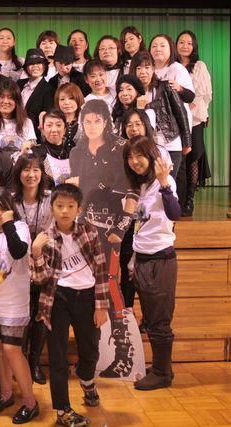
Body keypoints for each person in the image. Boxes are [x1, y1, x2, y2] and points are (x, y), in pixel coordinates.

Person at [68, 99, 139, 379]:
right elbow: (76, 191)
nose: (92, 126)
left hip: (111, 230)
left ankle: (124, 354)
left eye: (97, 120)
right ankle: (92, 354)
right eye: (87, 121)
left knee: (110, 284)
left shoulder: (120, 147)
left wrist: (121, 228)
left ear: (107, 121)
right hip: (84, 228)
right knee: (87, 288)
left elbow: (132, 191)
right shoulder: (77, 151)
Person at [31, 183, 109, 427]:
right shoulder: (45, 238)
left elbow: (101, 269)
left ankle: (86, 379)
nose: (65, 211)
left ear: (79, 209)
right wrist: (36, 252)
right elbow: (40, 279)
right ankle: (63, 409)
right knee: (58, 355)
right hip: (58, 298)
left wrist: (101, 306)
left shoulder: (89, 231)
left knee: (90, 349)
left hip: (87, 297)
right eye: (59, 206)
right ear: (52, 208)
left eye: (70, 206)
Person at [123, 136, 181, 390]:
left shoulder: (162, 183)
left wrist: (165, 183)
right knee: (151, 317)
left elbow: (175, 213)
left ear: (150, 156)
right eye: (130, 157)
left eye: (140, 156)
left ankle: (161, 373)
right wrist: (134, 258)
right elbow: (140, 226)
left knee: (159, 320)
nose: (135, 161)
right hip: (143, 258)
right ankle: (161, 367)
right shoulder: (141, 187)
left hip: (160, 259)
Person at [0, 188, 37, 424]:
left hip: (15, 303)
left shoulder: (19, 228)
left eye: (3, 208)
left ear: (11, 208)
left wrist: (9, 223)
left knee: (12, 350)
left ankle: (30, 402)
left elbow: (19, 251)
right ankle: (6, 394)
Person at [12, 154, 53, 384]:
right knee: (22, 315)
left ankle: (34, 364)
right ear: (18, 173)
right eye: (26, 170)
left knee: (41, 313)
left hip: (45, 263)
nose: (31, 175)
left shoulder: (50, 198)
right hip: (18, 265)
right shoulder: (11, 200)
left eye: (36, 170)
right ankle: (20, 363)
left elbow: (58, 228)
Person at [130, 51, 192, 185]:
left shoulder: (165, 87)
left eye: (147, 67)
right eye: (139, 68)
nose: (143, 72)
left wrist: (187, 141)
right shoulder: (131, 92)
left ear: (153, 69)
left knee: (168, 182)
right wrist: (140, 107)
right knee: (152, 184)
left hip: (170, 141)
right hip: (148, 145)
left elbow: (181, 113)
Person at [176, 30, 212, 216]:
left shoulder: (199, 65)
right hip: (176, 118)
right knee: (179, 159)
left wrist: (194, 109)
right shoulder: (172, 66)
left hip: (195, 117)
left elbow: (205, 93)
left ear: (194, 46)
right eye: (181, 42)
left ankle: (189, 199)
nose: (185, 46)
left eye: (189, 43)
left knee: (193, 157)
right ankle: (178, 199)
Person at [0, 78, 37, 154]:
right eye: (1, 97)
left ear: (17, 101)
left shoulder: (26, 122)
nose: (5, 101)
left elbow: (31, 146)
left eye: (10, 98)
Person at [18, 49, 55, 141]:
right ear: (26, 67)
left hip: (34, 137)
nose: (35, 66)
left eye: (39, 63)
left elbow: (47, 117)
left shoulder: (49, 90)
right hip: (14, 132)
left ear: (45, 66)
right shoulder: (19, 84)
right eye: (31, 63)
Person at [31, 109, 70, 185]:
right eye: (49, 125)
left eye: (58, 125)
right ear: (42, 130)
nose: (54, 130)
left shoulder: (72, 152)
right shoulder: (35, 152)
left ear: (65, 130)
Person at [54, 83, 84, 153]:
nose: (67, 102)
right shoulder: (53, 122)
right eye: (62, 99)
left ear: (78, 99)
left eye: (71, 98)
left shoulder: (85, 121)